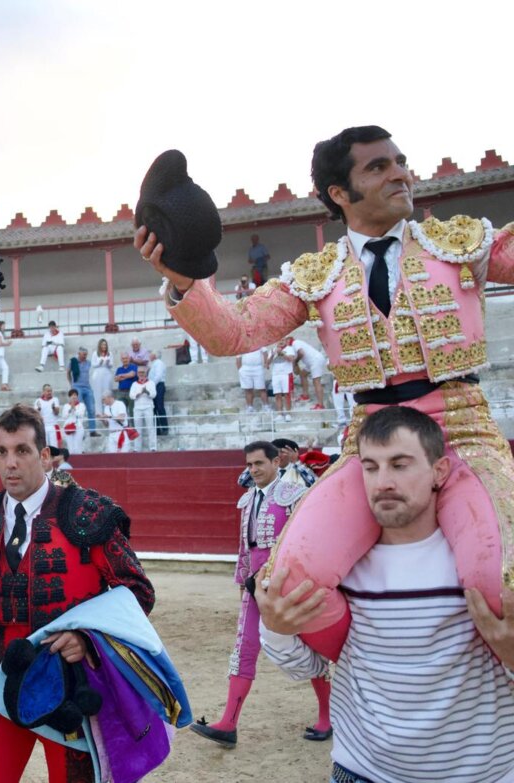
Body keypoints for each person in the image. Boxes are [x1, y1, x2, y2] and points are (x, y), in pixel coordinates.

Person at [137, 124, 514, 659]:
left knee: (502, 583)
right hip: (368, 444)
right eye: (378, 167)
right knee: (288, 589)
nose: (400, 174)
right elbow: (233, 332)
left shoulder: (460, 241)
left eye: (401, 162)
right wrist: (182, 279)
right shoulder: (317, 274)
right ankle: (372, 674)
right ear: (339, 192)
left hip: (462, 432)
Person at [258, 407, 514, 782]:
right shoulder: (340, 567)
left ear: (439, 471)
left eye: (400, 465)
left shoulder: (486, 560)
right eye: (370, 467)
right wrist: (276, 629)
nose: (383, 483)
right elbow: (306, 668)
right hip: (360, 771)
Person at [0, 403, 153, 782]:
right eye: (2, 452)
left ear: (44, 456)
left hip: (74, 684)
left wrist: (88, 639)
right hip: (5, 676)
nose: (11, 463)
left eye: (22, 451)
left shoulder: (86, 513)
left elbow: (137, 591)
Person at [189, 441, 330, 749]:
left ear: (276, 462)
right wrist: (244, 581)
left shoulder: (294, 495)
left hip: (286, 584)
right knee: (244, 648)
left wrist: (283, 577)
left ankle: (326, 717)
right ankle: (228, 724)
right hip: (255, 585)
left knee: (310, 643)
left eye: (259, 464)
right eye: (249, 465)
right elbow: (246, 547)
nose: (253, 470)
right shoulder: (248, 498)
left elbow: (304, 542)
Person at [288, 336, 328, 410]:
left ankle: (320, 405)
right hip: (311, 362)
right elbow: (297, 370)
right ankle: (305, 395)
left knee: (316, 382)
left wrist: (296, 361)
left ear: (289, 340)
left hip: (315, 360)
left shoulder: (295, 343)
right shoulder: (293, 346)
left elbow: (301, 353)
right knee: (303, 375)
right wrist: (295, 364)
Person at [67, 347, 96, 433]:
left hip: (87, 387)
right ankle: (78, 429)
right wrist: (71, 384)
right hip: (77, 387)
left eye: (86, 354)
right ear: (79, 354)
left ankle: (92, 430)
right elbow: (68, 372)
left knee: (91, 409)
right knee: (78, 408)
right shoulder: (73, 362)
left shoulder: (89, 363)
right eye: (83, 354)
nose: (85, 356)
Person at [128, 366, 156, 452]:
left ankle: (153, 447)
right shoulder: (134, 384)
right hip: (137, 408)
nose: (141, 374)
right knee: (137, 429)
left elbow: (154, 394)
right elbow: (131, 395)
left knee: (150, 427)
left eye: (142, 372)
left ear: (146, 373)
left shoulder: (151, 383)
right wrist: (139, 393)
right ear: (137, 374)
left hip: (148, 407)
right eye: (139, 372)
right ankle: (137, 448)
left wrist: (147, 392)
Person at [266, 341, 295, 422]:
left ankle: (288, 414)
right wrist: (273, 354)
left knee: (287, 395)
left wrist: (282, 353)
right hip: (276, 375)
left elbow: (291, 359)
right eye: (279, 340)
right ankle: (280, 414)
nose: (281, 341)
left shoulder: (289, 349)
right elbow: (267, 363)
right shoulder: (272, 350)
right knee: (277, 395)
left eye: (283, 340)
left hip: (286, 374)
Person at [236, 348, 266, 412]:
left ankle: (266, 406)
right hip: (246, 368)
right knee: (248, 389)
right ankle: (250, 407)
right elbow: (238, 357)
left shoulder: (259, 343)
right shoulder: (242, 344)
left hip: (258, 367)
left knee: (262, 388)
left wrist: (265, 363)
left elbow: (265, 352)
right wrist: (240, 370)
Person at [32, 383, 62, 448]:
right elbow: (35, 414)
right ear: (43, 392)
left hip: (53, 426)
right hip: (43, 426)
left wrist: (53, 408)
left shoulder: (55, 399)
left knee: (54, 446)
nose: (49, 392)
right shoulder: (38, 401)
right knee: (44, 446)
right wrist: (39, 408)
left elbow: (57, 412)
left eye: (50, 391)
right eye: (48, 391)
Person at [148, 350, 168, 436]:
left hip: (158, 386)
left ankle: (164, 428)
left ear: (155, 355)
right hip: (155, 385)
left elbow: (158, 376)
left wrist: (151, 385)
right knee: (154, 408)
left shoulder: (158, 363)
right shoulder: (154, 364)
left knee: (159, 407)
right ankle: (158, 429)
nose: (149, 356)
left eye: (151, 354)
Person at [61, 388, 86, 455]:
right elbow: (64, 416)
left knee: (77, 447)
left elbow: (81, 414)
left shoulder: (81, 405)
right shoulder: (66, 406)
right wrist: (70, 409)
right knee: (71, 448)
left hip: (78, 427)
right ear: (69, 397)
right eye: (72, 395)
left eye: (75, 395)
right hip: (68, 427)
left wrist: (74, 408)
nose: (74, 397)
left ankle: (79, 460)